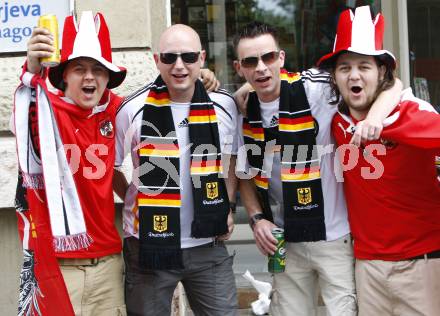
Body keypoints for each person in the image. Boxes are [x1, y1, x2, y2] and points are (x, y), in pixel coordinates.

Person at [232, 20, 402, 316]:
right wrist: (257, 218)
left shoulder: (317, 88)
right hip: (286, 239)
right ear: (239, 67)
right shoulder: (242, 111)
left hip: (334, 236)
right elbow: (243, 173)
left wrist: (374, 115)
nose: (261, 67)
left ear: (281, 58)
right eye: (250, 62)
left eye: (268, 58)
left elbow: (394, 85)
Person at [318, 5, 440, 316]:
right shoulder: (334, 120)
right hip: (367, 268)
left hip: (420, 265)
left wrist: (379, 116)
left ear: (382, 72)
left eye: (364, 66)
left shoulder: (410, 112)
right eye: (344, 68)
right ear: (333, 76)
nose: (354, 75)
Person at [114, 24, 238, 316]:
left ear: (202, 58)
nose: (179, 65)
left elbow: (233, 159)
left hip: (208, 244)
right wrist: (136, 197)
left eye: (189, 57)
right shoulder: (132, 109)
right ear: (156, 59)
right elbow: (108, 166)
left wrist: (228, 204)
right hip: (148, 246)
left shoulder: (224, 105)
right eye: (169, 57)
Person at [13, 11, 127, 315]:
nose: (89, 77)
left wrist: (204, 82)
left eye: (97, 69)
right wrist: (31, 68)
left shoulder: (117, 110)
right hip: (59, 265)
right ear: (64, 74)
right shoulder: (46, 111)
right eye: (79, 68)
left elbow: (164, 101)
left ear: (108, 77)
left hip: (109, 265)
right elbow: (26, 111)